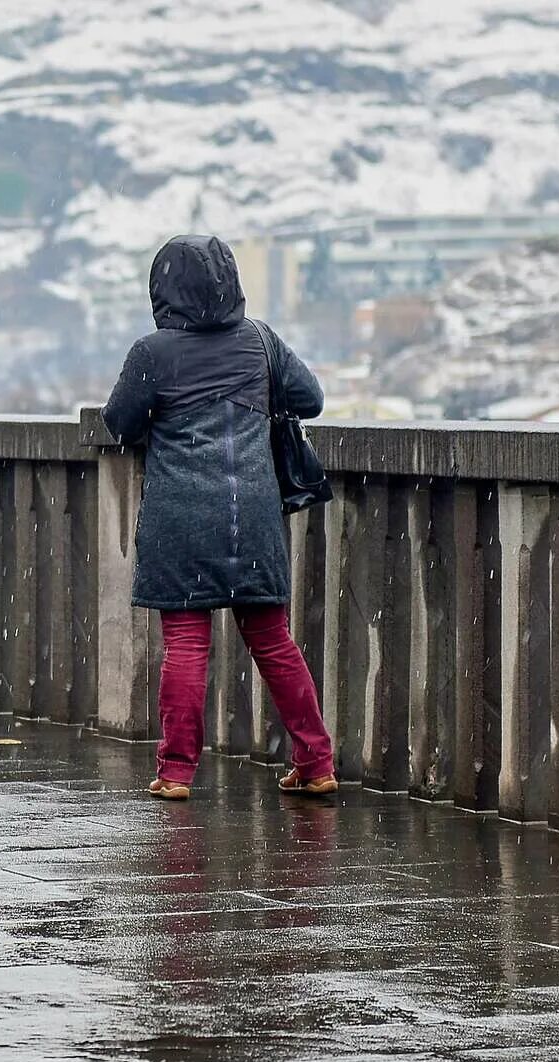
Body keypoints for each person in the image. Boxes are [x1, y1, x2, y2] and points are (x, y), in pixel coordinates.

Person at [101, 234, 337, 801]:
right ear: (230, 282)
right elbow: (310, 399)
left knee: (186, 644)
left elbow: (120, 423)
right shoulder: (259, 341)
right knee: (274, 642)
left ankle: (176, 773)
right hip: (250, 517)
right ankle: (316, 760)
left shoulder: (152, 354)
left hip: (181, 522)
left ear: (163, 289)